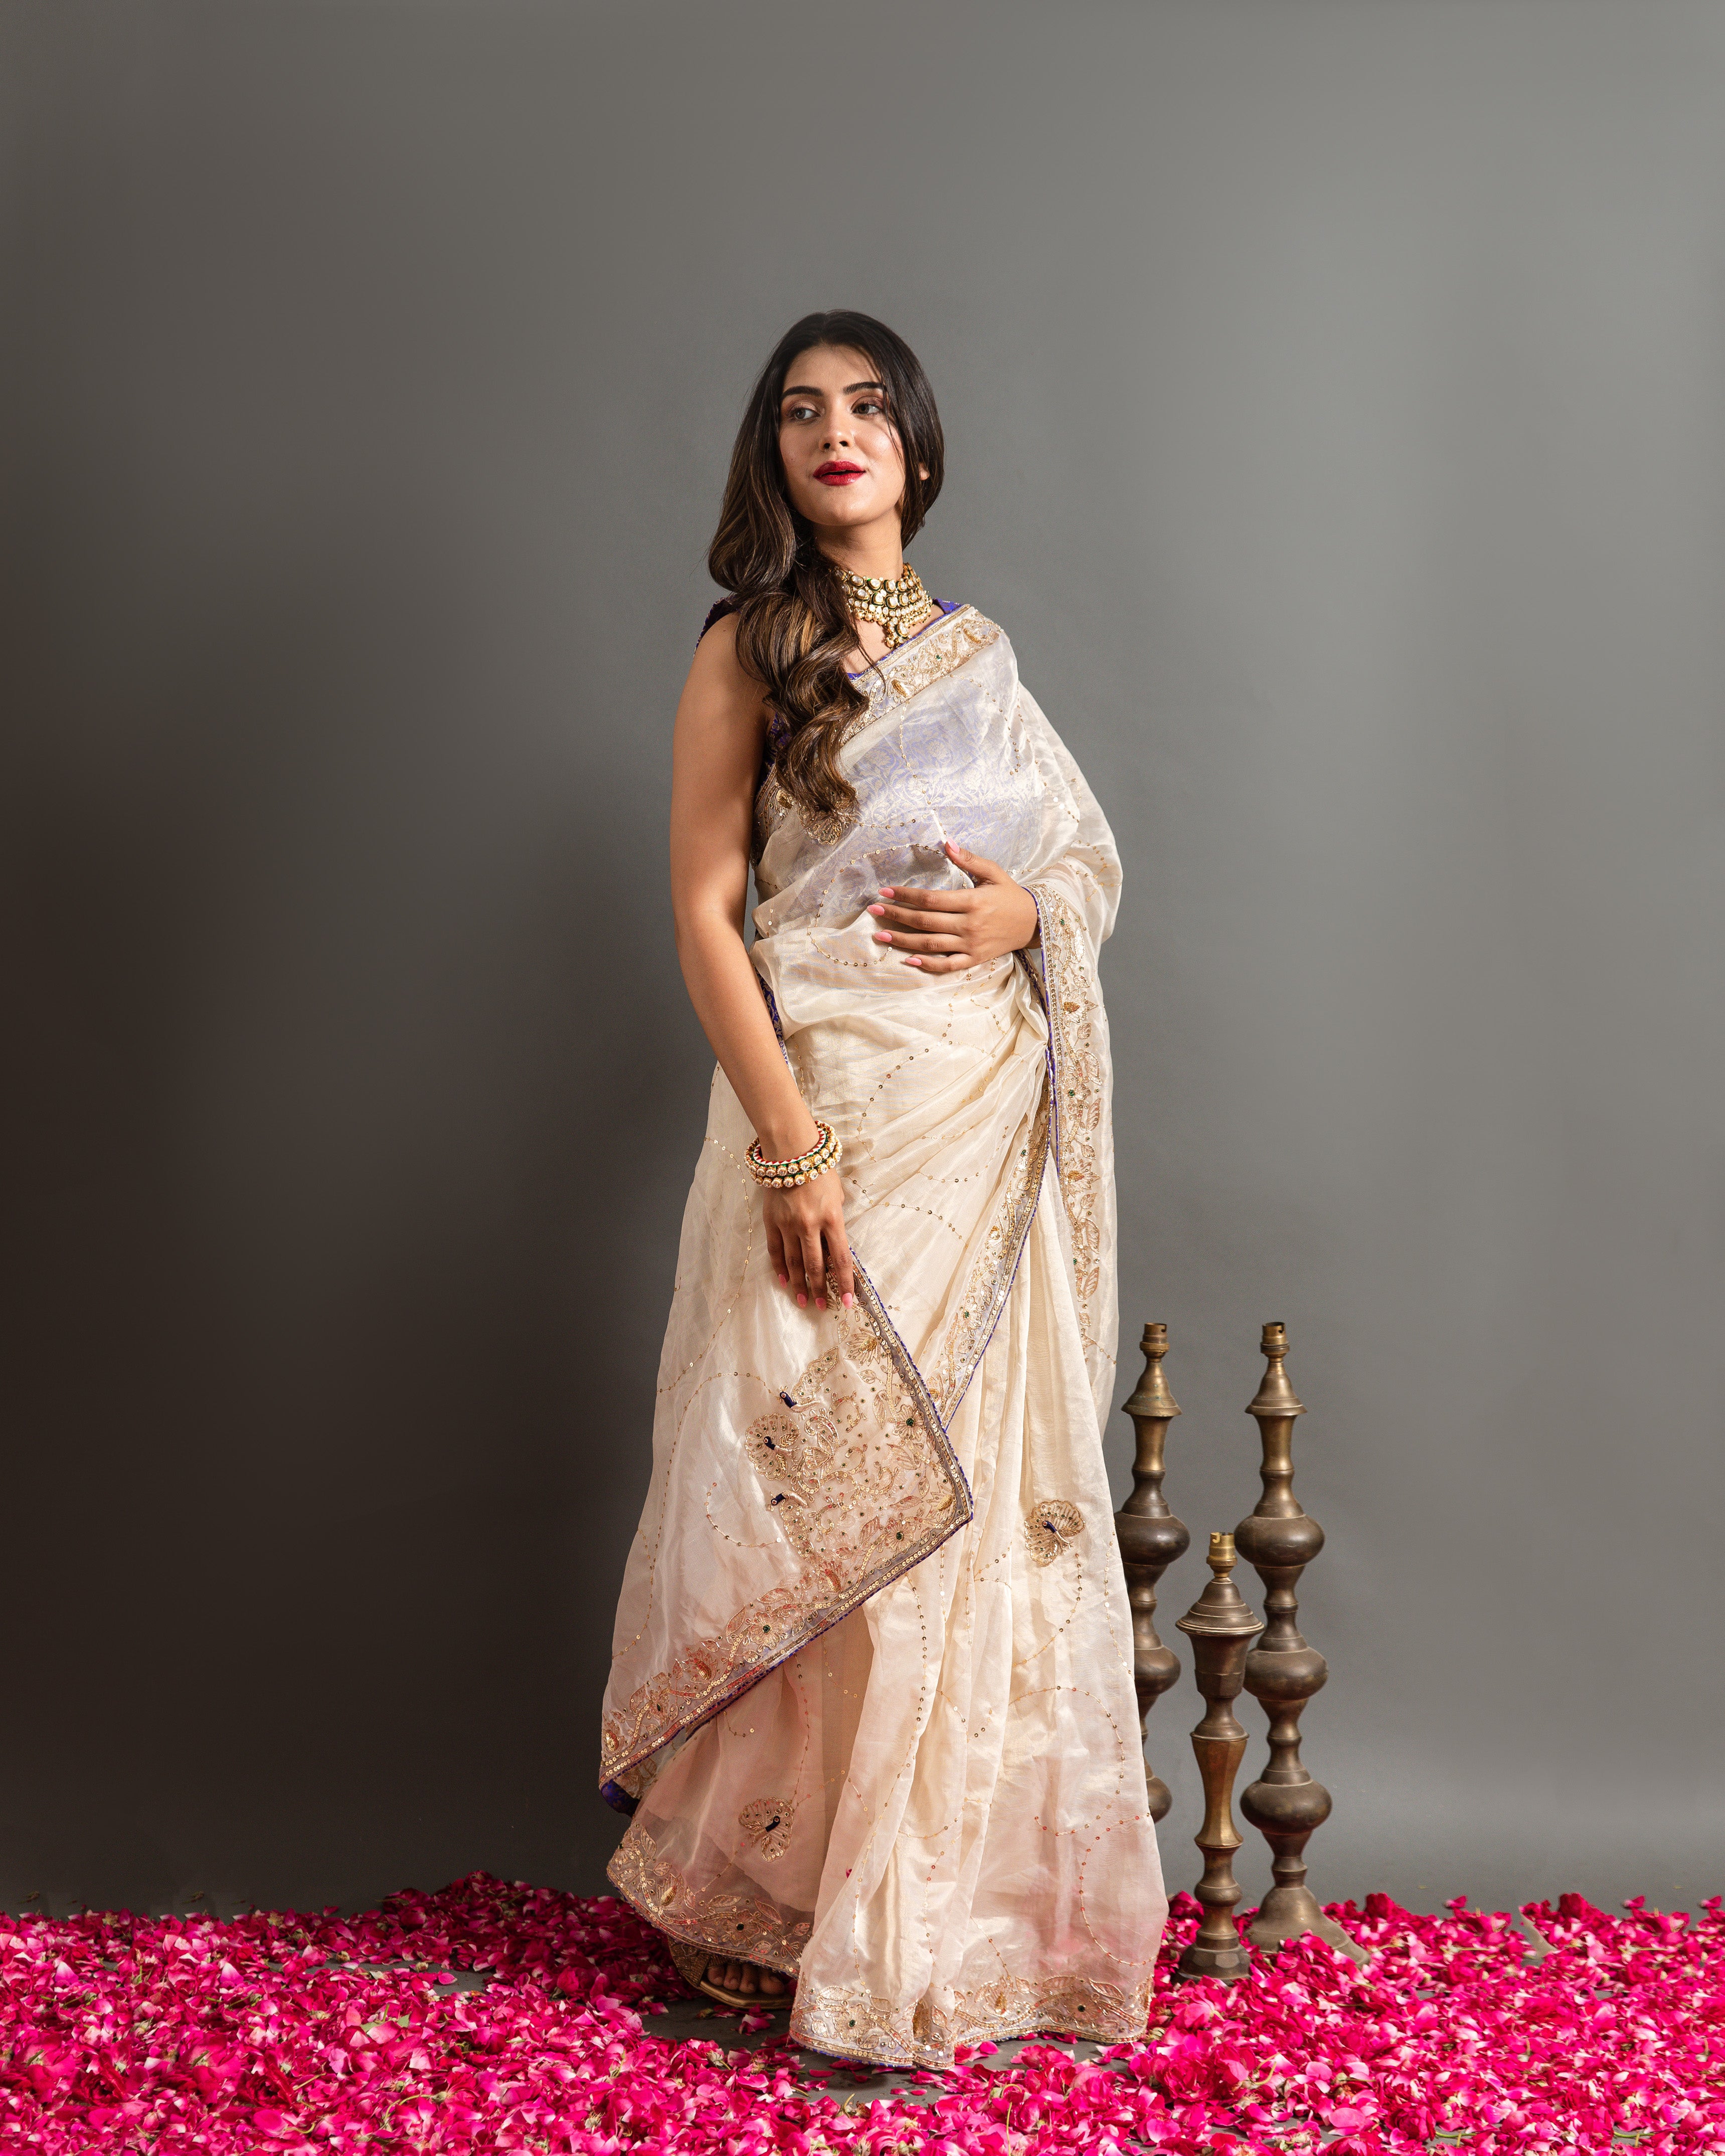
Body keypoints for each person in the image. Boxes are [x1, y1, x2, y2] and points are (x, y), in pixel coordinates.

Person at [599, 310, 1166, 2070]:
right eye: (799, 411)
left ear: (916, 447)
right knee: (831, 1494)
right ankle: (792, 1909)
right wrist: (790, 1143)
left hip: (982, 1110)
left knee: (976, 1504)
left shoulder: (984, 658)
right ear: (773, 456)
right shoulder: (752, 648)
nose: (833, 431)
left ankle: (945, 1917)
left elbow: (1082, 858)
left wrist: (1024, 916)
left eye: (864, 406)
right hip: (837, 1112)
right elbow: (706, 913)